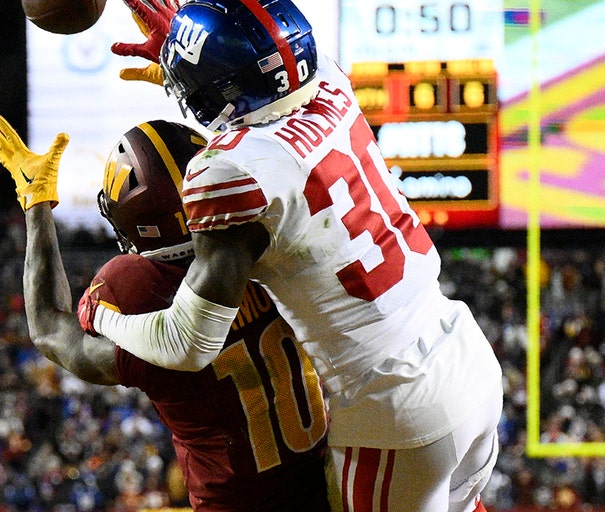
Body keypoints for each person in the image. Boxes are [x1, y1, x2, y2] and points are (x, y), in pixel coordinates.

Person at [77, 1, 506, 511]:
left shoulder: (223, 173)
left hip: (396, 406)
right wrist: (192, 69)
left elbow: (186, 344)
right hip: (465, 355)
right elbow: (269, 131)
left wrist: (103, 317)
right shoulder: (330, 81)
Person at [0, 115, 331, 511]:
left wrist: (36, 204)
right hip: (333, 484)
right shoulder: (268, 243)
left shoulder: (139, 291)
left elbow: (49, 329)